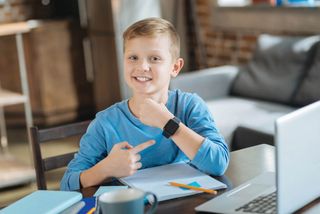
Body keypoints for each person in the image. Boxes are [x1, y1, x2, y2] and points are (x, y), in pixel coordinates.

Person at [61, 17, 229, 191]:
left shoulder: (189, 106)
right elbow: (67, 184)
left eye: (154, 58)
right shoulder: (106, 122)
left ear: (175, 67)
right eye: (133, 57)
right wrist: (105, 169)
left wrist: (168, 122)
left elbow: (218, 164)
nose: (142, 66)